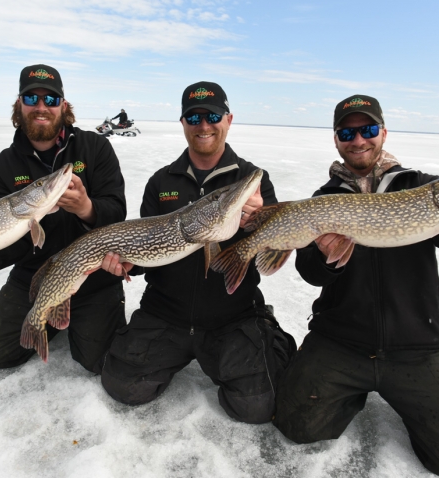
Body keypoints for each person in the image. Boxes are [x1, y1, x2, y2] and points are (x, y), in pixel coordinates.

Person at [273, 95, 439, 477]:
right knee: (297, 426)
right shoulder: (324, 200)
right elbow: (312, 274)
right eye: (347, 132)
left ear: (383, 132)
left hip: (418, 345)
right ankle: (348, 391)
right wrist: (327, 257)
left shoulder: (424, 189)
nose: (358, 140)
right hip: (340, 340)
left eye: (368, 129)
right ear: (337, 139)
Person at [96, 82, 296, 423]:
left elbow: (274, 249)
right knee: (124, 386)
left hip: (232, 316)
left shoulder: (250, 180)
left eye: (213, 116)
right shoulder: (162, 181)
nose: (204, 126)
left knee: (257, 406)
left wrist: (260, 220)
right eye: (194, 117)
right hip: (165, 313)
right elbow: (145, 255)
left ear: (228, 119)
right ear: (183, 123)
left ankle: (268, 338)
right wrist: (125, 262)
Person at [0, 64, 127, 374]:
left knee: (99, 361)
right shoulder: (4, 165)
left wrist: (85, 207)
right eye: (32, 99)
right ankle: (51, 315)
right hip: (34, 276)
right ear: (20, 105)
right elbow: (11, 238)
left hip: (93, 275)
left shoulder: (95, 148)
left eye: (51, 100)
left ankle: (70, 318)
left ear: (63, 106)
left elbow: (116, 211)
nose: (41, 107)